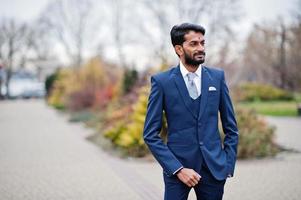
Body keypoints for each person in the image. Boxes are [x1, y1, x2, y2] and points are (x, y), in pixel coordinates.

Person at [143, 23, 239, 200]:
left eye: (203, 43)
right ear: (179, 49)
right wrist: (177, 169)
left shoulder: (217, 78)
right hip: (177, 171)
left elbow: (231, 128)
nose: (201, 48)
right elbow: (150, 134)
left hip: (214, 170)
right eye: (194, 44)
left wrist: (227, 163)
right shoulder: (162, 82)